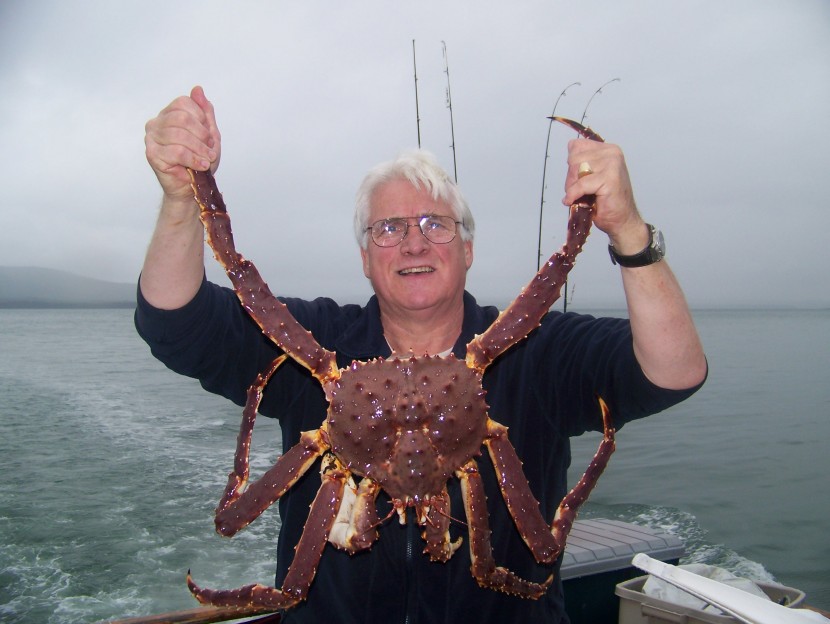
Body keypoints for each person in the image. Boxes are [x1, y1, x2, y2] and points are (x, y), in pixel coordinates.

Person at [137, 85, 707, 624]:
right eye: (388, 228)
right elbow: (174, 320)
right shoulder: (313, 346)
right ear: (365, 258)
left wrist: (628, 231)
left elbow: (674, 371)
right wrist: (182, 200)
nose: (414, 242)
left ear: (469, 248)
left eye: (437, 224)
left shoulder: (537, 351)